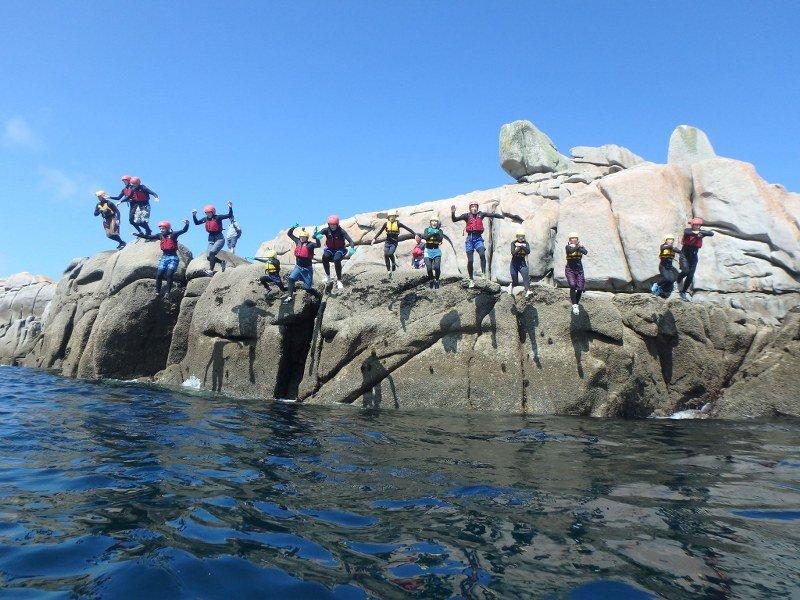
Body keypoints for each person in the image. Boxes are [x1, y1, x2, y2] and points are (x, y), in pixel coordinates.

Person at [451, 201, 505, 287]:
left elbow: (492, 215)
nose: (474, 208)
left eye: (475, 206)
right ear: (470, 208)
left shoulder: (481, 214)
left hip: (478, 238)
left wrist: (502, 216)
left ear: (477, 208)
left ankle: (483, 273)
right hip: (470, 239)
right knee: (470, 260)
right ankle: (471, 279)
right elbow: (454, 219)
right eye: (472, 207)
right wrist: (453, 213)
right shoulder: (466, 216)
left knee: (482, 254)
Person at [134, 219, 189, 296]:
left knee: (169, 274)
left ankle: (168, 292)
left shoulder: (173, 234)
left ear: (167, 228)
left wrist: (187, 224)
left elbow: (184, 230)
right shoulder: (160, 235)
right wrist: (139, 235)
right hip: (164, 257)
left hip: (173, 258)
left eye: (163, 228)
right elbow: (149, 236)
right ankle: (157, 291)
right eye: (160, 229)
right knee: (159, 274)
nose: (161, 230)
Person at [678, 217, 714, 301]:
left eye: (699, 225)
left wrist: (701, 233)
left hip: (694, 256)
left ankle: (683, 292)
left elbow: (711, 233)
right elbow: (687, 232)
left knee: (690, 276)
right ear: (692, 225)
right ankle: (679, 277)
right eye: (696, 225)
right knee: (685, 271)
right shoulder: (688, 230)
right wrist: (696, 234)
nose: (697, 227)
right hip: (685, 254)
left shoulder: (701, 232)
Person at [371, 209, 416, 277]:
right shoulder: (386, 224)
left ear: (395, 217)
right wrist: (374, 238)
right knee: (386, 255)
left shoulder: (398, 224)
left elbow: (408, 229)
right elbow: (380, 232)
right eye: (390, 216)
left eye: (393, 216)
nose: (392, 217)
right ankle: (388, 270)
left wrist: (415, 234)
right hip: (387, 242)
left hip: (394, 242)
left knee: (390, 253)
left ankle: (393, 263)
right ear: (388, 217)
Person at [193, 201, 234, 275]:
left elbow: (229, 215)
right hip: (211, 239)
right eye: (206, 213)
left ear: (213, 212)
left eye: (209, 212)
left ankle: (211, 271)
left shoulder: (218, 217)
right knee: (209, 257)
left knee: (212, 253)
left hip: (219, 238)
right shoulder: (205, 219)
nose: (208, 214)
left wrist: (230, 207)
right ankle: (222, 262)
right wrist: (194, 215)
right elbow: (196, 223)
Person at [284, 226, 321, 303]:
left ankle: (318, 296)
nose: (302, 238)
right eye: (301, 237)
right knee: (291, 279)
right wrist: (293, 227)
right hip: (298, 267)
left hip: (307, 269)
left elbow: (318, 245)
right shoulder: (298, 241)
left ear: (307, 238)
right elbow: (289, 234)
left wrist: (317, 237)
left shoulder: (310, 244)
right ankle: (290, 296)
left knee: (307, 288)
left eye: (303, 237)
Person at [317, 215, 354, 289]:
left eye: (334, 225)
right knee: (324, 257)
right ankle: (328, 277)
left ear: (337, 224)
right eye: (331, 225)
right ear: (329, 224)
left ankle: (339, 280)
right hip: (330, 249)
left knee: (336, 259)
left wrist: (352, 248)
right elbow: (315, 236)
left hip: (340, 249)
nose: (333, 226)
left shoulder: (341, 231)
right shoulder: (326, 230)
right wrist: (317, 235)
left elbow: (351, 241)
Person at [423, 215, 449, 289]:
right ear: (430, 222)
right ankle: (431, 280)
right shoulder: (426, 230)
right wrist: (434, 233)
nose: (434, 223)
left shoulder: (440, 231)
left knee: (437, 267)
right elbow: (425, 237)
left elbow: (440, 239)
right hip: (427, 251)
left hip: (436, 251)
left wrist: (436, 233)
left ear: (437, 223)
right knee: (429, 268)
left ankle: (437, 280)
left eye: (436, 221)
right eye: (433, 221)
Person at [565, 232, 588, 315]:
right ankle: (574, 305)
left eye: (575, 238)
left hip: (579, 269)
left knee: (580, 288)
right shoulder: (568, 247)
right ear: (570, 240)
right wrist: (578, 246)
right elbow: (570, 251)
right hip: (570, 269)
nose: (574, 239)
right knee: (572, 285)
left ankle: (576, 304)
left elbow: (585, 252)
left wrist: (580, 247)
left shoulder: (580, 247)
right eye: (572, 238)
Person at [651, 234, 680, 299]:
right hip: (663, 266)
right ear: (665, 240)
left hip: (669, 267)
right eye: (669, 239)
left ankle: (663, 290)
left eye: (672, 240)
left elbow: (678, 251)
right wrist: (670, 246)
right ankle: (656, 285)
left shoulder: (673, 248)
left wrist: (681, 252)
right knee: (666, 278)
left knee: (671, 280)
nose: (671, 241)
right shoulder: (663, 246)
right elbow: (663, 248)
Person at [509, 229, 532, 297]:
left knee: (526, 277)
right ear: (517, 236)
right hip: (514, 264)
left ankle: (528, 290)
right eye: (519, 236)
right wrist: (519, 247)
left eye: (522, 236)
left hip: (522, 263)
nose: (521, 237)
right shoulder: (513, 243)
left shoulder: (526, 243)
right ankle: (511, 286)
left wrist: (522, 246)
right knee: (515, 281)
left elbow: (528, 252)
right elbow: (513, 253)